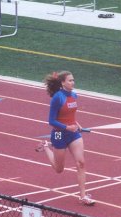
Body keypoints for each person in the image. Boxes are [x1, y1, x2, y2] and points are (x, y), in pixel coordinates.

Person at [36, 71, 95, 206]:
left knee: (81, 163)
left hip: (73, 134)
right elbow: (51, 121)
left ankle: (83, 196)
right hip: (58, 134)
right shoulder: (57, 98)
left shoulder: (74, 95)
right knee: (59, 169)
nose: (72, 82)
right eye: (69, 80)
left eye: (73, 80)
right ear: (63, 83)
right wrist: (67, 127)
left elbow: (71, 115)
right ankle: (46, 146)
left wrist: (77, 124)